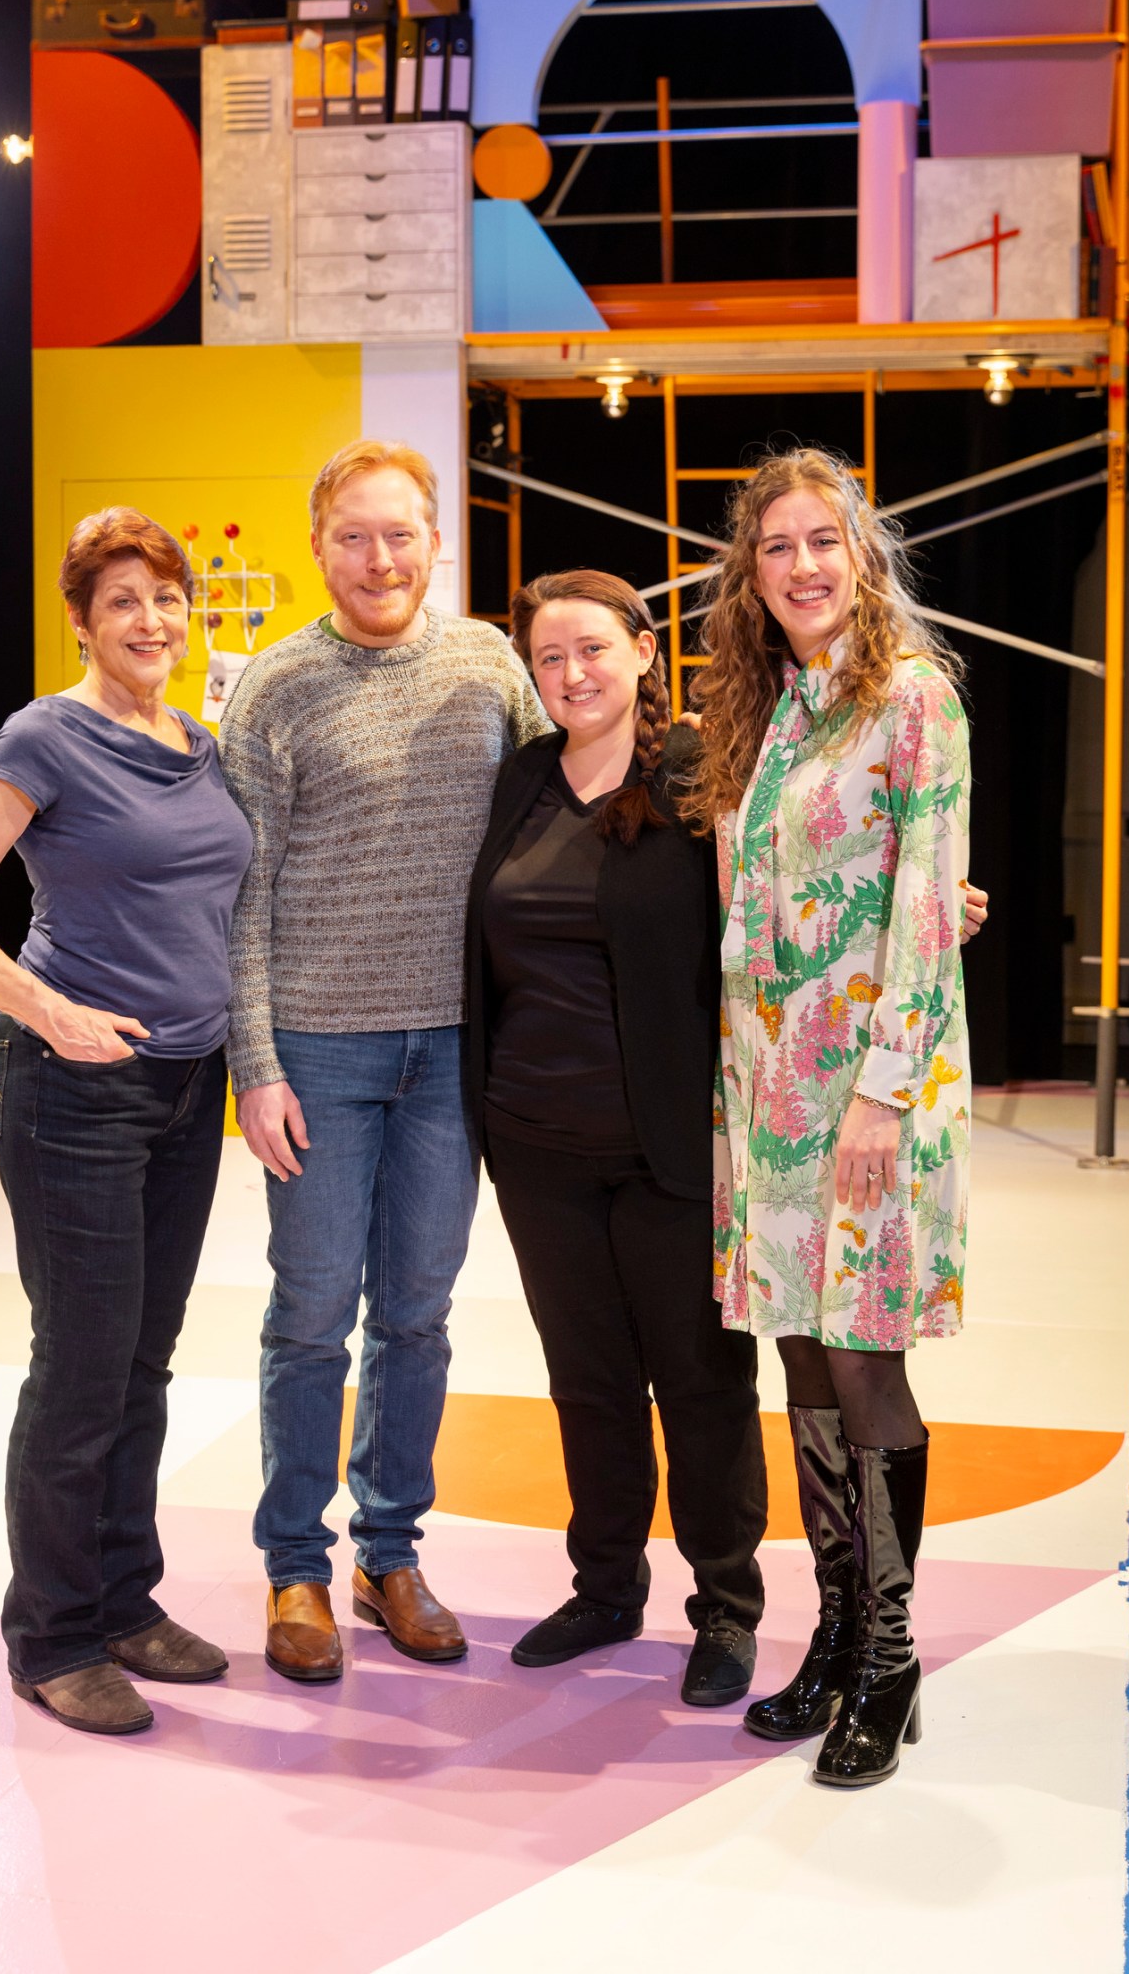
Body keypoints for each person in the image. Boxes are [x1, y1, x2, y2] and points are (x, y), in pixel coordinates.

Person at [0, 509, 253, 1737]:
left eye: (166, 598)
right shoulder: (44, 736)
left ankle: (121, 1599)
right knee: (82, 1364)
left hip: (184, 1085)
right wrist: (50, 1011)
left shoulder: (202, 746)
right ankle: (51, 1636)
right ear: (82, 620)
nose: (151, 621)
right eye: (123, 602)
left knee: (144, 1363)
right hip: (73, 1090)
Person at [218, 439, 547, 1684]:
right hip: (317, 1049)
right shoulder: (275, 690)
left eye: (400, 533)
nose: (380, 558)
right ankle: (294, 1566)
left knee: (417, 1316)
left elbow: (568, 793)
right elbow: (242, 901)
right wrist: (257, 1063)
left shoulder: (489, 664)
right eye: (354, 535)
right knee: (311, 1318)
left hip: (452, 1056)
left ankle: (389, 1552)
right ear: (316, 546)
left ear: (436, 541)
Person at [682, 447, 972, 1787]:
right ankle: (840, 1630)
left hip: (866, 1094)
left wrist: (880, 1089)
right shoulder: (770, 715)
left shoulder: (912, 700)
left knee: (864, 1358)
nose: (801, 565)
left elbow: (923, 902)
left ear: (862, 557)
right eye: (777, 545)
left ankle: (896, 1654)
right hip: (765, 1094)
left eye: (823, 541)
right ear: (751, 572)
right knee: (798, 1355)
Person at [464, 572, 768, 1708]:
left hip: (667, 1149)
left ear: (645, 652)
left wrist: (932, 902)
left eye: (594, 650)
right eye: (550, 660)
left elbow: (782, 896)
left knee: (699, 1383)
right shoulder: (520, 783)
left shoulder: (699, 775)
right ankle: (605, 1588)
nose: (574, 675)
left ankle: (726, 1607)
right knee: (587, 1383)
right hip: (535, 1147)